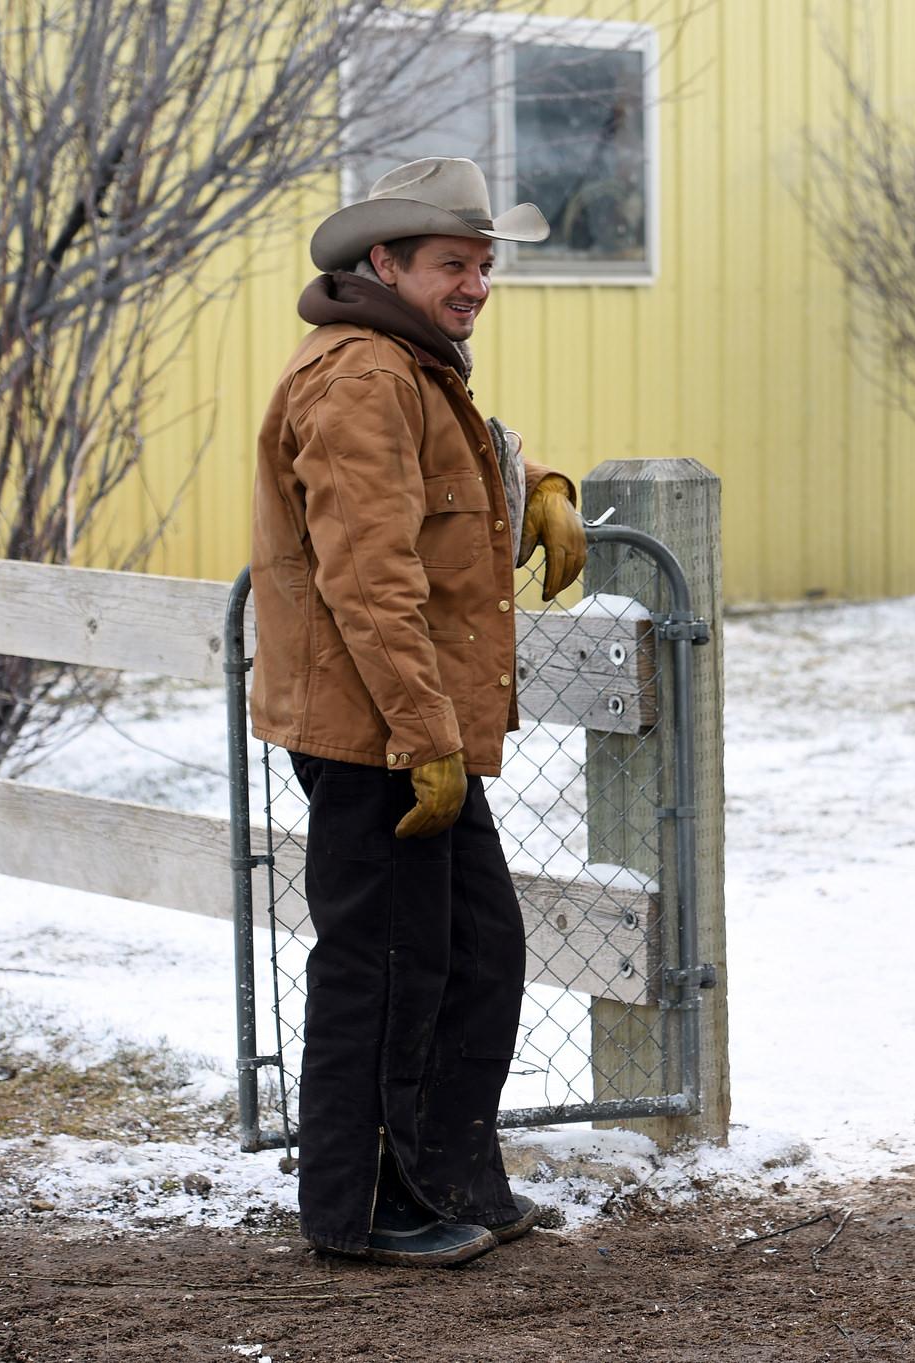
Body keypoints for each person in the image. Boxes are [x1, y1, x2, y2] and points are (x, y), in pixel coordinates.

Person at [249, 157, 587, 1267]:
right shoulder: (360, 377)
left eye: (484, 266)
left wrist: (537, 484)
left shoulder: (412, 367)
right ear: (383, 263)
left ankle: (449, 1175)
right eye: (454, 263)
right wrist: (425, 738)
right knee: (382, 963)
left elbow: (441, 483)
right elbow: (369, 576)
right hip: (378, 730)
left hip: (409, 722)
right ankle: (363, 1208)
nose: (476, 284)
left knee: (477, 948)